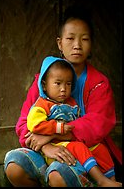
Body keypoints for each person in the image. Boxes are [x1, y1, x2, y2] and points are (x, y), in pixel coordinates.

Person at [4, 5, 122, 187]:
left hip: (86, 152)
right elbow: (24, 124)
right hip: (47, 152)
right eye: (70, 38)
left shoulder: (99, 83)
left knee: (59, 175)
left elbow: (96, 124)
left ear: (91, 44)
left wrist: (50, 135)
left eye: (84, 39)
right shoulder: (42, 81)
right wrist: (46, 146)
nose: (77, 45)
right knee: (14, 165)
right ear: (59, 43)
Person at [27, 55, 122, 187]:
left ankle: (111, 179)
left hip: (72, 140)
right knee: (79, 147)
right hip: (56, 145)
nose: (63, 89)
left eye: (68, 84)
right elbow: (34, 124)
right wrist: (58, 129)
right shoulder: (42, 104)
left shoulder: (71, 102)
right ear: (44, 86)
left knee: (100, 149)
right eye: (58, 83)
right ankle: (101, 180)